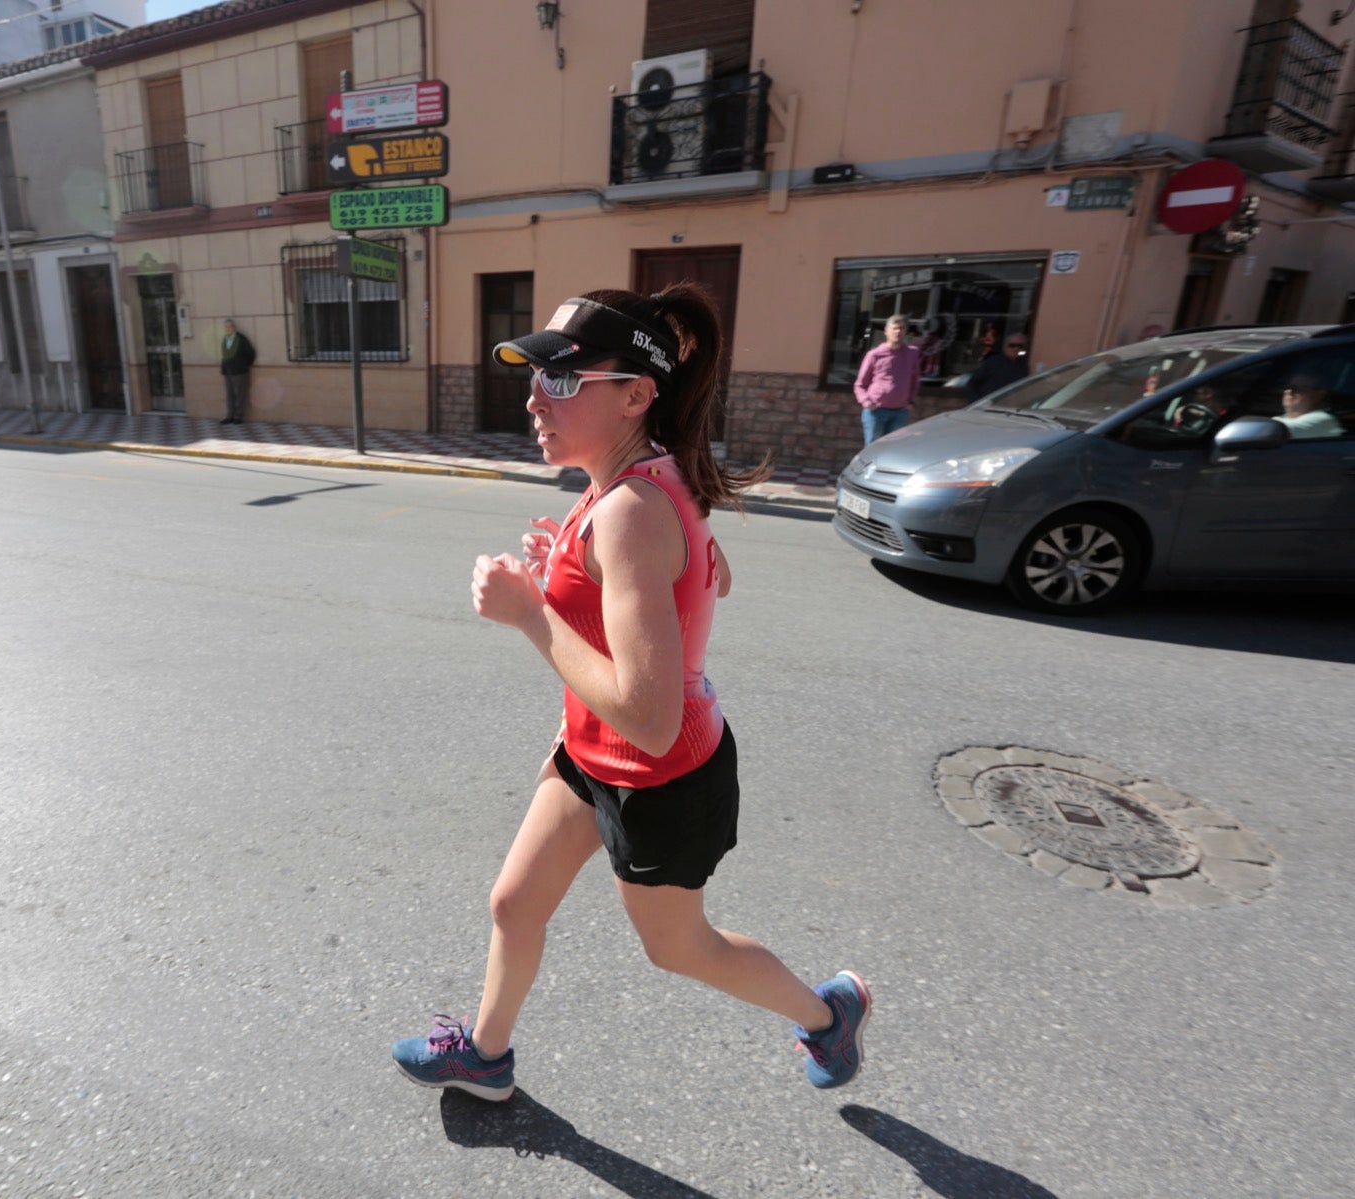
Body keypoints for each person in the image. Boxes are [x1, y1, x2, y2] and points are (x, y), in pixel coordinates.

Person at [390, 285, 871, 1103]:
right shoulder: (625, 480)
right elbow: (678, 576)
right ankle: (485, 1055)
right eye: (538, 376)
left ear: (638, 394)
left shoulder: (631, 507)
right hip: (588, 752)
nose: (536, 398)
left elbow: (650, 720)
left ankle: (828, 1015)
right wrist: (568, 582)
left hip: (662, 779)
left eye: (565, 380)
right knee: (514, 902)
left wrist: (533, 613)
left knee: (681, 949)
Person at [853, 314, 919, 443]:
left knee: (893, 451)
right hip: (876, 412)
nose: (898, 332)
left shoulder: (912, 353)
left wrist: (911, 401)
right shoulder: (875, 355)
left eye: (902, 328)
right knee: (873, 451)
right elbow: (859, 384)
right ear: (886, 331)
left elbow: (915, 380)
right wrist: (866, 402)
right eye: (894, 328)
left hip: (900, 412)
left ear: (906, 331)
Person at [1275, 373, 1344, 440]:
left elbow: (1277, 431)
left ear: (1318, 395)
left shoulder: (1322, 419)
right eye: (1288, 386)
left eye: (1298, 388)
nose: (1289, 391)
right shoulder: (1281, 418)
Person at [966, 330, 1030, 401]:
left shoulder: (1023, 364)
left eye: (1020, 346)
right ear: (1005, 346)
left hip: (1010, 407)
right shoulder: (992, 362)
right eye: (1012, 345)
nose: (1016, 349)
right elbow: (972, 384)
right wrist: (976, 402)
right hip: (988, 405)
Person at [218, 319, 255, 424]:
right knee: (229, 394)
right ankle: (230, 415)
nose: (227, 329)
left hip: (239, 371)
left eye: (229, 327)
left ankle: (239, 416)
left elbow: (250, 353)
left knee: (240, 393)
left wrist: (244, 364)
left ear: (234, 327)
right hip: (227, 371)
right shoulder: (225, 339)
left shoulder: (241, 339)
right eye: (226, 327)